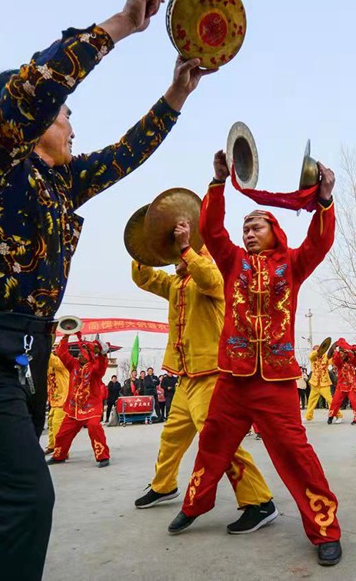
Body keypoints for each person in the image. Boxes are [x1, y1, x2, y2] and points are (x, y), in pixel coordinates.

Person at [0, 0, 215, 580]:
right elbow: (40, 85)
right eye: (65, 114)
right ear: (24, 119)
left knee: (1, 496)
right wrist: (120, 25)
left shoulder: (59, 182)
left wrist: (176, 95)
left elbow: (125, 154)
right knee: (27, 501)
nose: (73, 125)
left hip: (24, 355)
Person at [168, 150, 342, 566]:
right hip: (232, 378)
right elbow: (211, 230)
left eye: (256, 225)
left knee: (296, 455)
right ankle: (194, 504)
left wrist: (324, 200)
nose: (248, 232)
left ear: (275, 231)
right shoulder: (232, 263)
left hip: (276, 383)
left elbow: (320, 241)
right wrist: (217, 181)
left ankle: (325, 530)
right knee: (211, 445)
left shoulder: (293, 264)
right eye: (245, 226)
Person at [131, 222, 276, 531]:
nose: (175, 258)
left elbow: (208, 275)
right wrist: (143, 248)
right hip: (186, 376)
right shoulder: (176, 284)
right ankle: (164, 485)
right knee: (171, 436)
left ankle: (260, 502)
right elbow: (144, 277)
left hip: (212, 375)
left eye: (180, 252)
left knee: (220, 442)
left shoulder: (216, 276)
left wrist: (187, 248)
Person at [48, 336, 111, 466]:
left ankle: (103, 457)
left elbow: (101, 364)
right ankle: (59, 456)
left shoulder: (95, 369)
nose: (78, 356)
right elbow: (62, 353)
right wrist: (66, 336)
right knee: (62, 433)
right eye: (78, 354)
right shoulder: (73, 365)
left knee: (94, 428)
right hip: (74, 408)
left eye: (81, 354)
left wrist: (103, 354)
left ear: (89, 356)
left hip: (91, 407)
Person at [327, 339, 356, 425]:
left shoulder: (352, 362)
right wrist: (336, 350)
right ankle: (331, 416)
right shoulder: (340, 364)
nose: (343, 355)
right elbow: (336, 359)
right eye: (341, 353)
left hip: (351, 386)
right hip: (341, 386)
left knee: (354, 402)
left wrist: (355, 351)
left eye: (344, 353)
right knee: (335, 402)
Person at [305, 346, 341, 421]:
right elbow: (311, 356)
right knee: (311, 401)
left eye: (319, 349)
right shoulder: (313, 358)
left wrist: (334, 353)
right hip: (314, 383)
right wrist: (317, 351)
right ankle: (308, 416)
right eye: (315, 350)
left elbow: (332, 361)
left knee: (330, 401)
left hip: (324, 384)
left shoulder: (326, 357)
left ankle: (338, 415)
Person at [45, 352, 69, 454]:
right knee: (51, 423)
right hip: (54, 401)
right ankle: (52, 445)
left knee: (57, 425)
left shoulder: (61, 364)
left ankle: (61, 450)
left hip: (62, 400)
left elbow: (51, 359)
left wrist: (46, 347)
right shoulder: (50, 367)